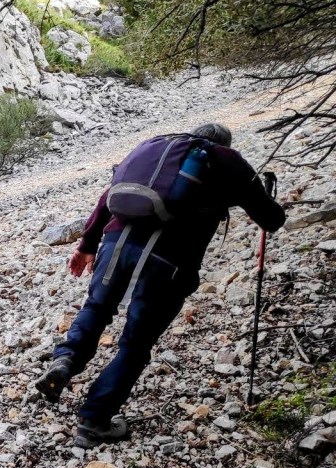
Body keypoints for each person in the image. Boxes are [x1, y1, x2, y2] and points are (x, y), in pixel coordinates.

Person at [32, 123, 286, 448]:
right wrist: (263, 197)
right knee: (135, 343)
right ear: (225, 143)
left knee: (96, 308)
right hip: (168, 260)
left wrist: (87, 245)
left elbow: (107, 197)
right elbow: (271, 219)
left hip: (115, 244)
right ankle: (93, 421)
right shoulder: (227, 159)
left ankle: (65, 360)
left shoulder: (155, 149)